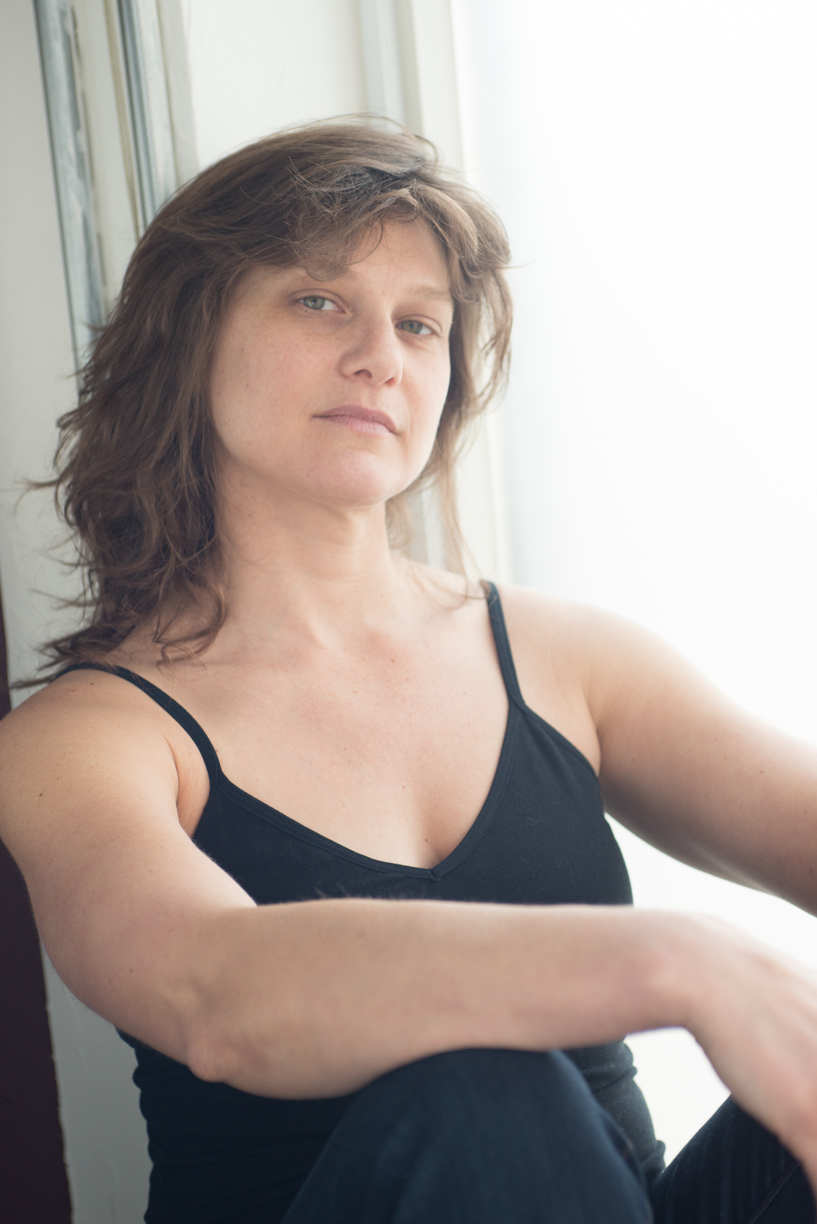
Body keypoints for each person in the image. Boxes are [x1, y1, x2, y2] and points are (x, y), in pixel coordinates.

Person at [1, 119, 816, 1224]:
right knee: (483, 1079)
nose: (380, 355)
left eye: (419, 323)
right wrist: (677, 960)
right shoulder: (81, 741)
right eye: (317, 300)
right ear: (189, 337)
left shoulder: (566, 658)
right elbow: (212, 994)